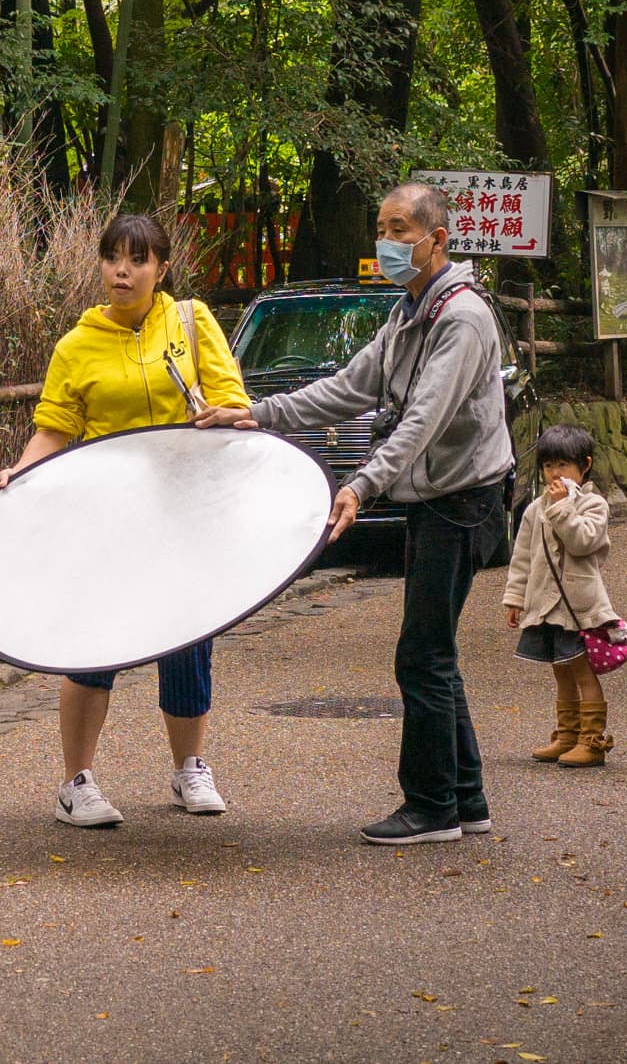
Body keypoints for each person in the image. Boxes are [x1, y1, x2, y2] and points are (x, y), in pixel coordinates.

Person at [199, 183, 512, 845]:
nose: (386, 242)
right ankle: (467, 798)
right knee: (434, 651)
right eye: (381, 228)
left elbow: (423, 419)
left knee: (421, 656)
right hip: (436, 499)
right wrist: (257, 413)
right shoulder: (409, 311)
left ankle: (431, 807)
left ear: (437, 240)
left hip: (461, 500)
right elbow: (348, 387)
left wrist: (362, 484)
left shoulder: (461, 318)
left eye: (400, 230)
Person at [0, 213, 249, 828]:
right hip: (105, 518)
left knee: (187, 642)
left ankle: (190, 768)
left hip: (182, 512)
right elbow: (54, 429)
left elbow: (233, 402)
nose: (122, 271)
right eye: (112, 258)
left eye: (137, 260)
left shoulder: (191, 322)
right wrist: (20, 471)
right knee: (93, 644)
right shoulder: (76, 345)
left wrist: (221, 415)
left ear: (162, 268)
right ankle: (75, 784)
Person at [502, 425, 623, 768]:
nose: (555, 474)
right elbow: (522, 558)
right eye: (548, 466)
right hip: (546, 605)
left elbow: (583, 542)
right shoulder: (534, 509)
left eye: (563, 465)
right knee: (560, 670)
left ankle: (592, 740)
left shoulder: (593, 505)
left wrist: (561, 508)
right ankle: (567, 735)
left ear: (585, 466)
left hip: (579, 607)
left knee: (582, 670)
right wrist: (516, 598)